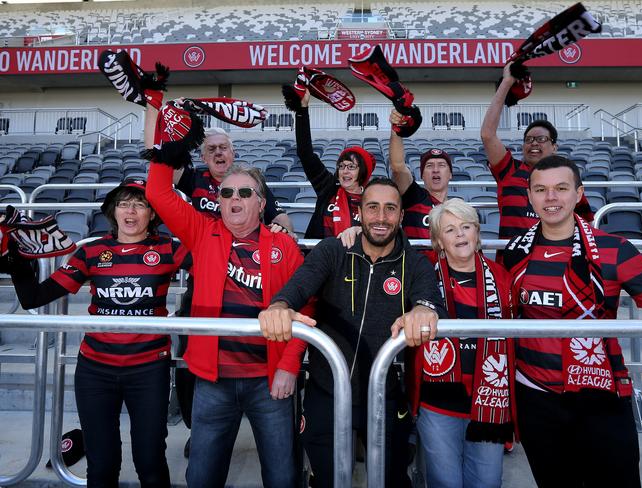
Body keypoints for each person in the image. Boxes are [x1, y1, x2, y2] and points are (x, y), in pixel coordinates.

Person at [259, 177, 446, 488]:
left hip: (384, 393)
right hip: (326, 392)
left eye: (390, 209)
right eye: (373, 208)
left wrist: (424, 310)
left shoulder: (412, 262)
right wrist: (280, 305)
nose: (381, 217)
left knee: (391, 479)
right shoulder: (333, 250)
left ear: (401, 215)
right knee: (326, 480)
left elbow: (431, 299)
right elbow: (298, 286)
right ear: (360, 212)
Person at [7, 178, 190, 487]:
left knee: (150, 462)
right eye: (123, 203)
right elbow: (34, 298)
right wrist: (12, 256)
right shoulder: (91, 252)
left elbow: (213, 270)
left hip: (148, 370)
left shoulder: (169, 249)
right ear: (112, 211)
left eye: (140, 204)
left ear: (153, 213)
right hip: (95, 371)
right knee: (102, 465)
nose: (131, 211)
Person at [143, 102, 294, 458]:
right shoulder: (193, 180)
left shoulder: (251, 184)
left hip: (254, 296)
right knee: (192, 360)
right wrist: (161, 120)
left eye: (222, 147)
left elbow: (283, 222)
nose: (217, 152)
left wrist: (277, 232)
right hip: (204, 282)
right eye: (210, 148)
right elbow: (158, 177)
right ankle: (200, 427)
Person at [503, 155, 642, 487]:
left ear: (578, 193)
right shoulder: (515, 250)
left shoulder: (616, 249)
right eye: (540, 189)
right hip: (536, 397)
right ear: (529, 197)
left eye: (561, 188)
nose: (551, 198)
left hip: (602, 396)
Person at [407, 199, 516, 488]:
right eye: (450, 229)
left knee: (488, 482)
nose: (459, 235)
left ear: (477, 233)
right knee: (445, 483)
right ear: (438, 241)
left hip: (490, 401)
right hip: (439, 401)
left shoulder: (503, 277)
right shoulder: (423, 276)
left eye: (466, 226)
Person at [480, 62, 593, 242]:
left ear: (554, 147)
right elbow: (487, 134)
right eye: (529, 139)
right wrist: (506, 83)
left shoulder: (567, 178)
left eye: (541, 139)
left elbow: (585, 226)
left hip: (556, 261)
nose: (534, 143)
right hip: (513, 263)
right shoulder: (509, 170)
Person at [293, 91, 376, 238]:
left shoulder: (373, 198)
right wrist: (302, 110)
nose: (345, 171)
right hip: (322, 258)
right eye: (342, 166)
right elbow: (305, 153)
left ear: (363, 171)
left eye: (351, 167)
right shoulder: (329, 188)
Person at [389, 108, 452, 239]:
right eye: (429, 166)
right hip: (418, 259)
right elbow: (397, 166)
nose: (435, 169)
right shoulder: (414, 197)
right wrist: (396, 129)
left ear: (450, 174)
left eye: (441, 165)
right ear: (422, 175)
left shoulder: (457, 208)